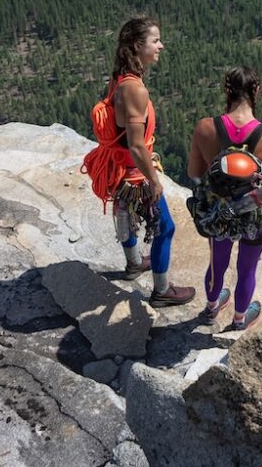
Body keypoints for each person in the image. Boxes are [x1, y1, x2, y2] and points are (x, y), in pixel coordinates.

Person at [187, 66, 262, 330]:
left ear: (226, 90)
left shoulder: (205, 128)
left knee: (217, 263)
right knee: (246, 269)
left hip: (219, 212)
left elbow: (194, 173)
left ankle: (212, 307)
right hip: (254, 216)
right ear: (256, 91)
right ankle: (240, 319)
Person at [108, 17, 195, 307]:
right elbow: (135, 144)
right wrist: (154, 181)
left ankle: (134, 264)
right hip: (134, 174)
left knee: (126, 215)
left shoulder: (121, 79)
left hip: (118, 169)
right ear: (138, 45)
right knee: (165, 228)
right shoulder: (136, 89)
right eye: (155, 40)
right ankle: (161, 290)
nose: (161, 45)